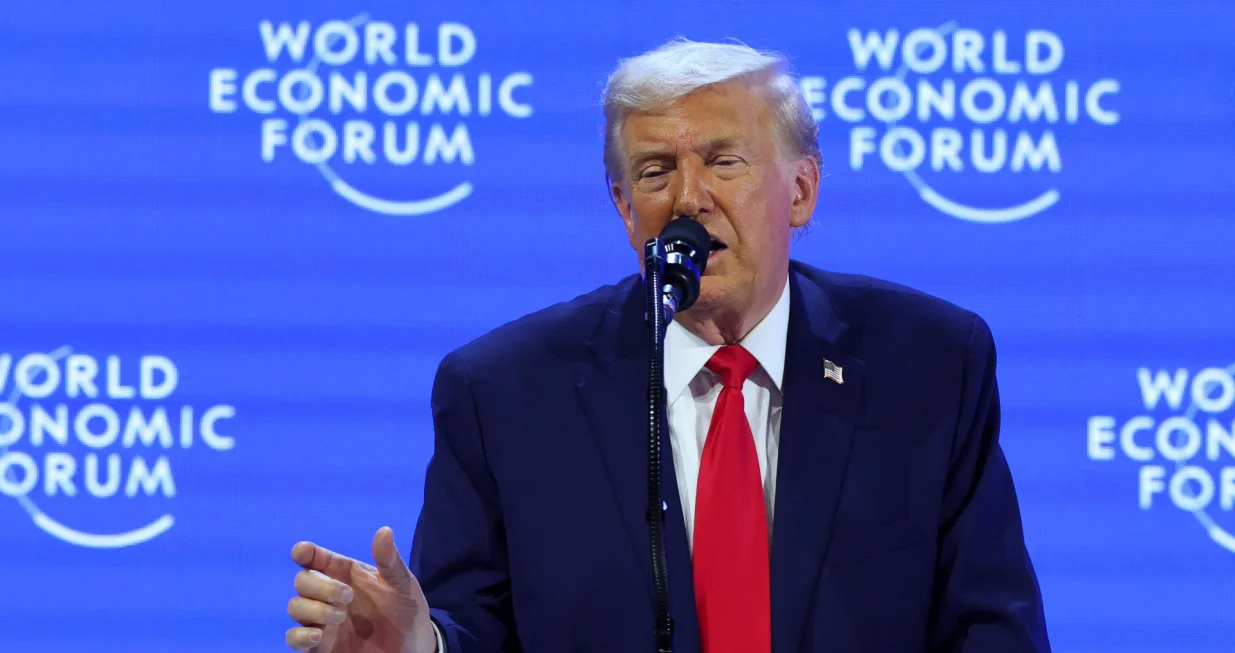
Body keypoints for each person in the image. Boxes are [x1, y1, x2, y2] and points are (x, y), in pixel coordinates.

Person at [284, 38, 1051, 653]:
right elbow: (472, 628)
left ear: (801, 190)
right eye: (655, 171)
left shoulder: (926, 362)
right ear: (623, 208)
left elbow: (991, 628)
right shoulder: (505, 394)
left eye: (724, 160)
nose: (688, 198)